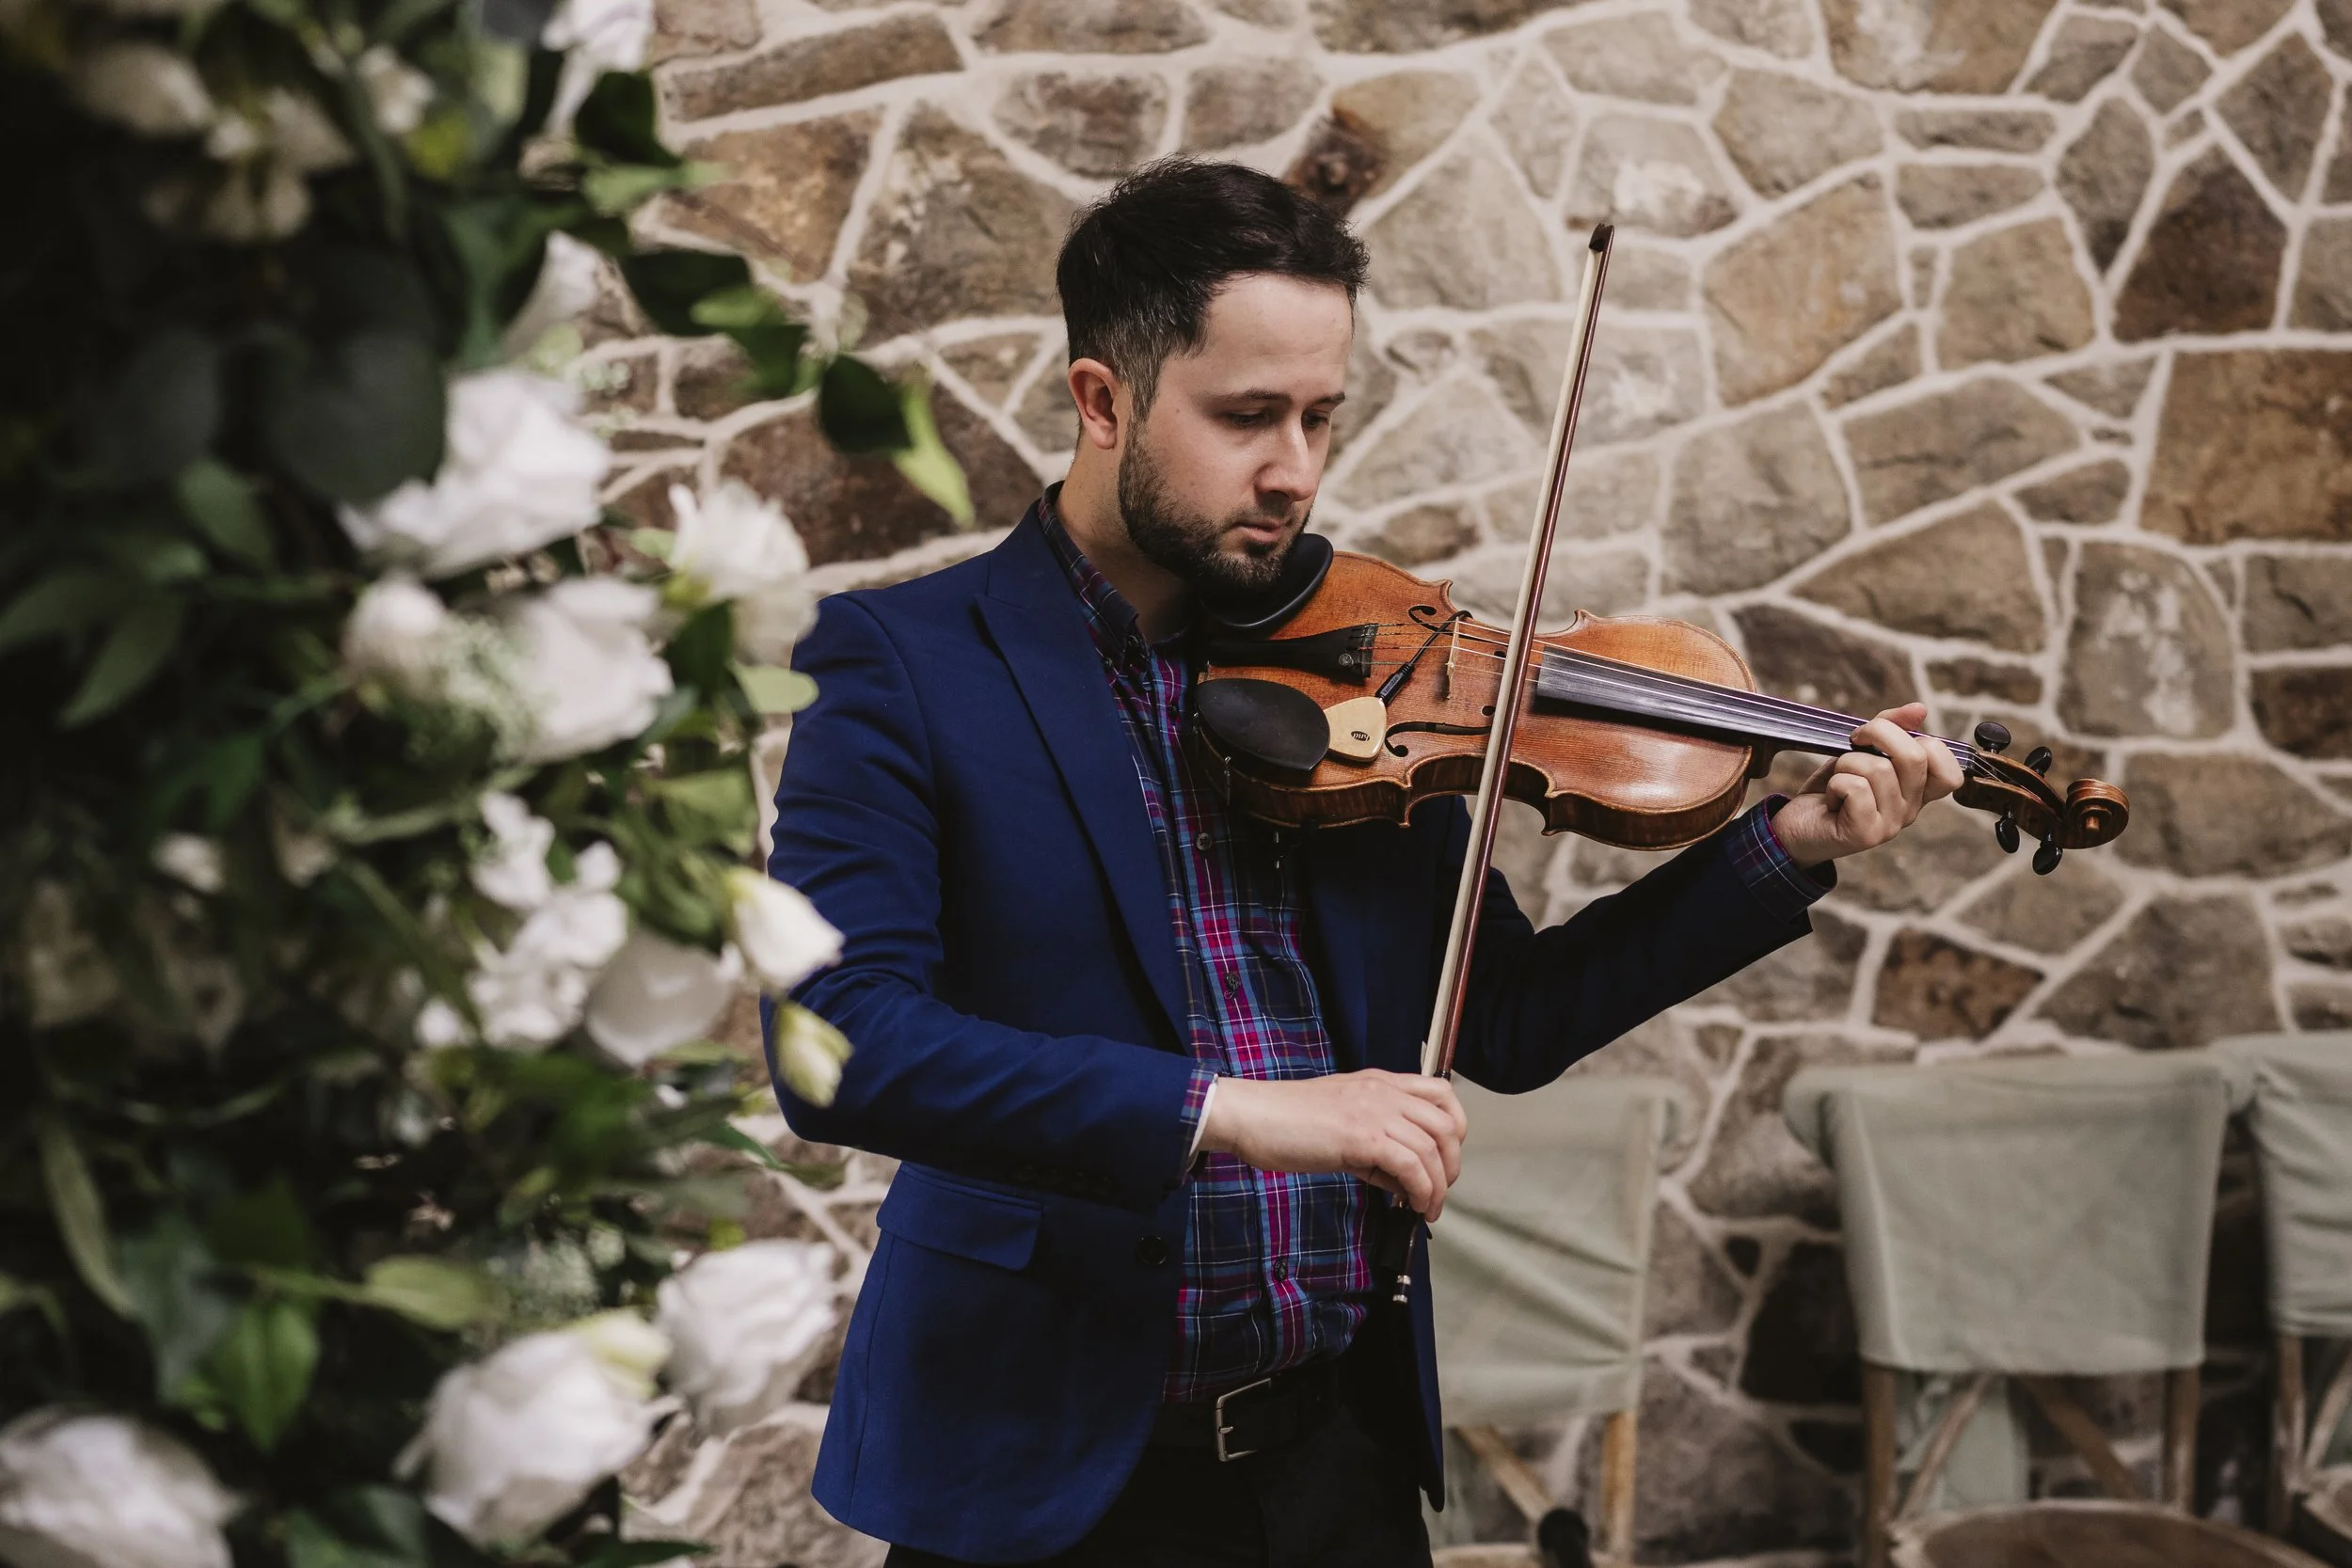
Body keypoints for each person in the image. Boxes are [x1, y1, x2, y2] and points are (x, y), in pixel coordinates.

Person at [766, 158, 1962, 1568]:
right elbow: (843, 1042)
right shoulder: (904, 665)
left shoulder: (1367, 667)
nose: (1297, 470)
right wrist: (1236, 1109)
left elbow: (1503, 1015)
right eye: (1247, 415)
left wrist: (1779, 849)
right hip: (1051, 1478)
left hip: (1334, 1464)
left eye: (1322, 414)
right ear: (1102, 402)